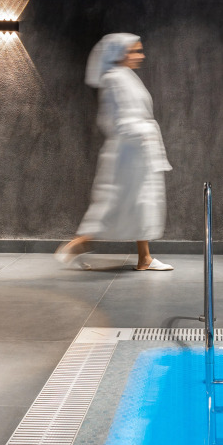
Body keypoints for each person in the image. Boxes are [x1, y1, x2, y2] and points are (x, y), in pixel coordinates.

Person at [55, 33, 174, 271]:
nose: (141, 56)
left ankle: (145, 258)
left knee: (142, 204)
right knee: (116, 205)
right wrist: (144, 132)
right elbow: (114, 121)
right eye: (135, 51)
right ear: (120, 52)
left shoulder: (126, 76)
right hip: (126, 156)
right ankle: (77, 244)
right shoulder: (114, 79)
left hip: (138, 153)